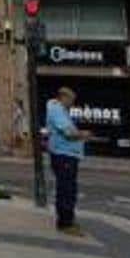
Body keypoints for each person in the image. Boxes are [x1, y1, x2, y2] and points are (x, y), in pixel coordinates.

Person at [46, 87, 91, 236]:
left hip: (66, 154)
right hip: (63, 155)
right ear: (63, 97)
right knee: (66, 190)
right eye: (71, 99)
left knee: (68, 189)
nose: (73, 103)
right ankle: (65, 223)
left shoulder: (60, 110)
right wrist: (82, 134)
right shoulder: (57, 110)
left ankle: (67, 220)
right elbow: (68, 133)